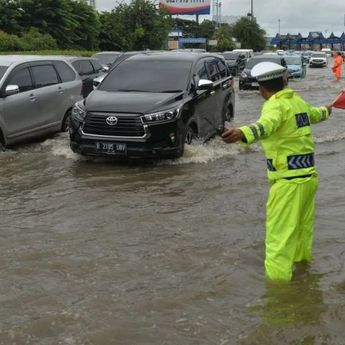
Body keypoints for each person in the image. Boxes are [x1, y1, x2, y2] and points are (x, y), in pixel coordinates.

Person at [222, 62, 332, 281]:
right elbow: (315, 114)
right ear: (284, 82)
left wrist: (242, 133)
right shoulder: (297, 102)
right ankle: (303, 273)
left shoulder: (274, 105)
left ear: (261, 89)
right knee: (302, 232)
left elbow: (266, 125)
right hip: (308, 179)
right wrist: (327, 110)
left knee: (278, 240)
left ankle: (279, 294)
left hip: (288, 184)